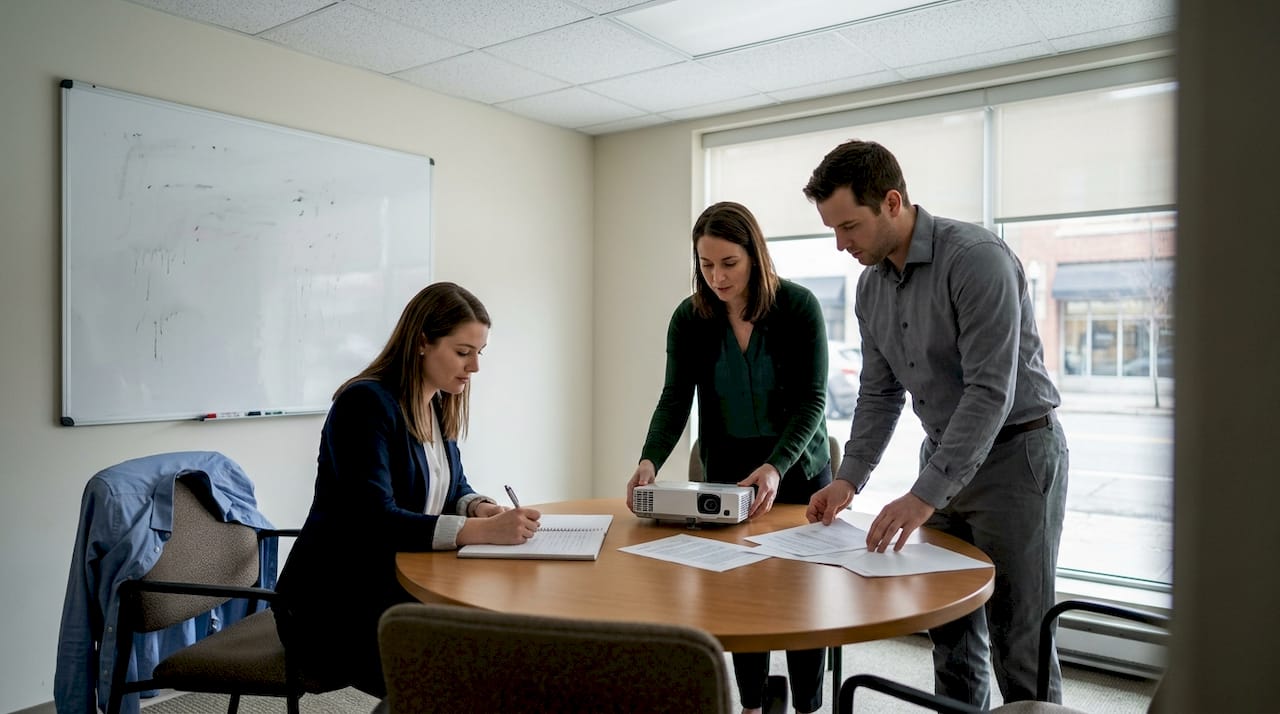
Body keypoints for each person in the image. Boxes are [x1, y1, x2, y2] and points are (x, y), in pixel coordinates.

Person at [801, 140, 1068, 708]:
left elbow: (990, 392)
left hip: (1017, 457)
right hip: (945, 458)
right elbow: (877, 393)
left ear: (892, 202)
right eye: (833, 229)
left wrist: (922, 496)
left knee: (1018, 636)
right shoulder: (871, 287)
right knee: (949, 630)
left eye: (848, 226)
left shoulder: (976, 259)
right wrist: (849, 479)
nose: (840, 244)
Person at [275, 282, 541, 697]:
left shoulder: (435, 402)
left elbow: (452, 487)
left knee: (501, 648)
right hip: (336, 603)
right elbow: (373, 518)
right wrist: (479, 533)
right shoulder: (365, 404)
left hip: (395, 586)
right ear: (422, 342)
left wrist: (478, 508)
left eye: (479, 353)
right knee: (464, 673)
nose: (474, 368)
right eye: (462, 352)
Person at [626, 201, 832, 714]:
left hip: (798, 470)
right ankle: (752, 704)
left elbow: (813, 400)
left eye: (729, 264)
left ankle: (807, 705)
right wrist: (649, 460)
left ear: (755, 256)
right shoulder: (690, 318)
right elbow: (675, 398)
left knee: (798, 601)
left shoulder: (799, 307)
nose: (716, 277)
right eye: (706, 264)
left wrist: (775, 467)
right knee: (741, 597)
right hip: (727, 472)